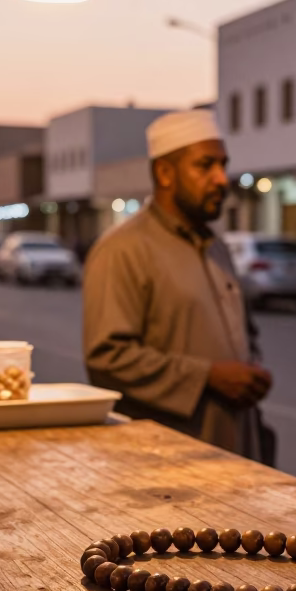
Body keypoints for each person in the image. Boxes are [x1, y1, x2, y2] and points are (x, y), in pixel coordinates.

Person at [83, 109, 273, 460]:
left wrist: (250, 372)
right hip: (164, 464)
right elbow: (107, 358)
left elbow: (241, 331)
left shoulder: (216, 247)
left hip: (237, 451)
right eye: (205, 166)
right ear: (165, 173)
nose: (220, 178)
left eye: (223, 165)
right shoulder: (123, 250)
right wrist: (206, 377)